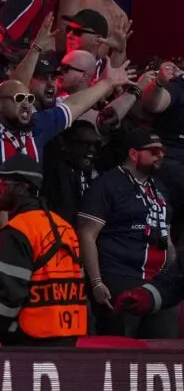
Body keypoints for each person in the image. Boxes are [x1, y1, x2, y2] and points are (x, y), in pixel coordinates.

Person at [77, 128, 176, 339]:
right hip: (120, 279)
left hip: (159, 283)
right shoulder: (107, 184)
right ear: (133, 154)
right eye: (154, 151)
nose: (161, 155)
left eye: (163, 150)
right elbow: (87, 234)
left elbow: (166, 233)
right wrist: (96, 282)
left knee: (163, 347)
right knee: (121, 350)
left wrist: (173, 274)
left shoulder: (159, 188)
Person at [0, 155, 87, 346]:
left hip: (28, 337)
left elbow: (10, 293)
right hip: (68, 334)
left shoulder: (17, 231)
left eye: (2, 182)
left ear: (24, 187)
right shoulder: (64, 227)